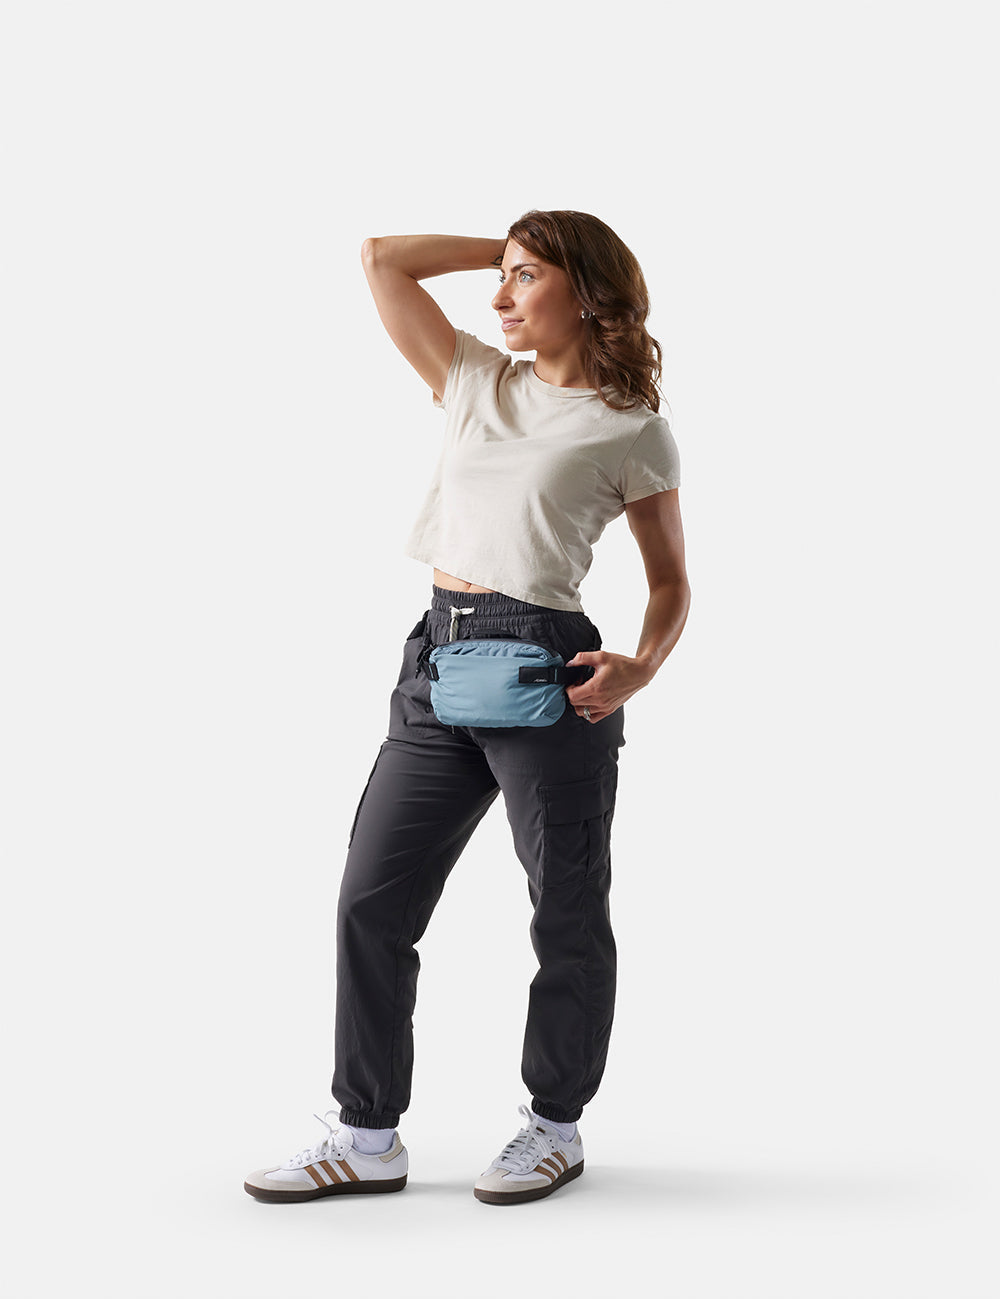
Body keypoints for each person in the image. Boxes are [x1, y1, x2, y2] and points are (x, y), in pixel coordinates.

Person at [244, 210, 690, 1206]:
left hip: (551, 677)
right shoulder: (475, 380)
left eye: (525, 279)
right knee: (370, 898)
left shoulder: (631, 428)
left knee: (565, 911)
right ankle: (365, 1137)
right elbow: (380, 257)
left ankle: (554, 1127)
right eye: (503, 276)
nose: (498, 295)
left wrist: (643, 666)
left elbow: (669, 585)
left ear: (584, 293)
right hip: (437, 665)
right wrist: (513, 240)